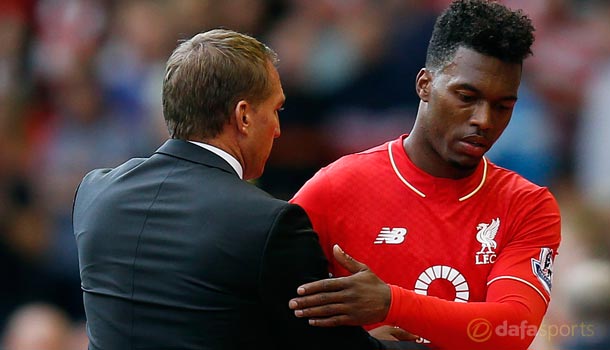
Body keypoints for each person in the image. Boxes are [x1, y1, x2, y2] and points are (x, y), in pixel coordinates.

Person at [72, 29, 423, 350]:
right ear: (243, 117)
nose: (278, 129)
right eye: (276, 109)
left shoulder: (95, 193)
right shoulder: (269, 224)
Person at [288, 1, 561, 349]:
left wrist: (391, 304)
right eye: (466, 96)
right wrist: (356, 343)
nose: (484, 120)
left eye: (502, 106)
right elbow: (269, 307)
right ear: (425, 84)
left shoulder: (527, 205)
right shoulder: (335, 187)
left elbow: (514, 328)